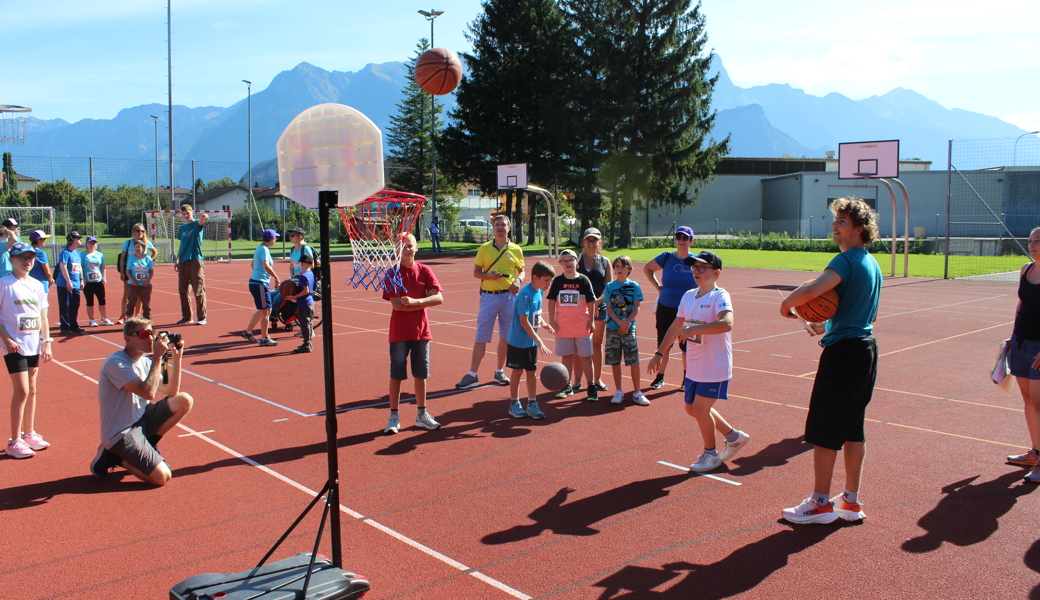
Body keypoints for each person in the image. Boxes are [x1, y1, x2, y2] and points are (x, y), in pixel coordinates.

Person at [779, 198, 881, 524]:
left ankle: (820, 503)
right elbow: (868, 312)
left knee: (824, 429)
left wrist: (787, 304)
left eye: (842, 221)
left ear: (859, 228)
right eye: (835, 220)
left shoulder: (845, 260)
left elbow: (813, 290)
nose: (835, 226)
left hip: (844, 354)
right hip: (865, 348)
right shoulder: (871, 263)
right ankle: (850, 501)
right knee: (853, 428)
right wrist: (827, 325)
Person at [648, 250, 748, 472]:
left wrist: (694, 328)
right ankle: (734, 437)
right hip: (695, 365)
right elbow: (675, 327)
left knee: (700, 410)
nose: (697, 271)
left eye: (703, 267)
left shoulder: (720, 296)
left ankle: (710, 455)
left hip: (714, 365)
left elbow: (727, 323)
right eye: (695, 267)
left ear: (717, 273)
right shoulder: (688, 295)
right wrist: (659, 352)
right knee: (692, 409)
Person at [89, 318, 193, 485]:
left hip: (141, 420)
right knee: (162, 477)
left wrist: (177, 356)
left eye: (151, 333)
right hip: (121, 432)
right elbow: (148, 393)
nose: (150, 339)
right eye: (143, 335)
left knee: (184, 400)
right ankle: (113, 456)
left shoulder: (145, 362)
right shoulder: (116, 363)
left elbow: (172, 391)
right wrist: (158, 357)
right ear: (127, 338)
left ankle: (148, 444)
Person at [380, 233, 444, 434]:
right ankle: (393, 416)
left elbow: (439, 298)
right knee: (397, 374)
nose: (407, 249)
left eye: (410, 245)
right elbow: (397, 306)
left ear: (416, 247)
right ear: (397, 250)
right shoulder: (393, 273)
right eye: (402, 246)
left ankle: (421, 414)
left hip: (421, 331)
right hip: (399, 332)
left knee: (421, 374)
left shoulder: (425, 271)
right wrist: (424, 301)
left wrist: (417, 302)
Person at [456, 215, 526, 389]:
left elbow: (522, 271)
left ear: (509, 228)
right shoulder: (484, 248)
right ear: (493, 228)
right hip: (488, 296)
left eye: (503, 225)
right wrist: (489, 277)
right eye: (497, 225)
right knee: (481, 336)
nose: (500, 227)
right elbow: (476, 272)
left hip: (509, 297)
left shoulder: (516, 249)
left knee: (505, 337)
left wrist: (518, 281)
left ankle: (499, 371)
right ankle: (473, 374)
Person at [0, 242, 53, 459]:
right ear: (11, 260)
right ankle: (14, 441)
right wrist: (6, 339)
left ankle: (29, 433)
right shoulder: (4, 284)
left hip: (33, 344)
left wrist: (46, 342)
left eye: (30, 257)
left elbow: (43, 316)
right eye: (22, 257)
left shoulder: (37, 285)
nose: (27, 261)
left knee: (32, 390)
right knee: (21, 390)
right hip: (14, 346)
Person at [643, 226, 697, 390]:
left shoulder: (696, 260)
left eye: (685, 238)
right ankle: (660, 377)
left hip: (688, 309)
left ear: (691, 241)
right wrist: (658, 287)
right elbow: (647, 268)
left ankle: (686, 379)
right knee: (664, 343)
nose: (681, 240)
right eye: (679, 237)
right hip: (666, 306)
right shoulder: (666, 257)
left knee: (687, 345)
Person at [1006, 226, 1040, 483]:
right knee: (1028, 400)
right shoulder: (1026, 270)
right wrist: (1012, 337)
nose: (1032, 244)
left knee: (1039, 403)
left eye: (1038, 241)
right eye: (1030, 241)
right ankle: (1035, 452)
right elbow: (1020, 305)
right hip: (1020, 343)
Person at [505, 260, 556, 420]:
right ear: (535, 277)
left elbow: (536, 315)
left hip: (530, 342)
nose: (549, 284)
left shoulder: (539, 292)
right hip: (518, 341)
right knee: (517, 372)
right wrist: (539, 340)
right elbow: (523, 321)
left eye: (550, 281)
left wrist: (544, 324)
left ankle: (532, 404)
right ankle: (514, 404)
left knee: (532, 372)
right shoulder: (525, 294)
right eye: (546, 280)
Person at [546, 249, 598, 401]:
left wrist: (591, 320)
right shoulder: (558, 281)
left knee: (586, 357)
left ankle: (591, 386)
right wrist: (552, 320)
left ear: (577, 261)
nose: (568, 263)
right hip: (563, 326)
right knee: (566, 357)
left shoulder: (583, 280)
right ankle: (566, 385)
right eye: (564, 260)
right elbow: (551, 301)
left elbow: (591, 300)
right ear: (560, 264)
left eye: (571, 260)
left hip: (582, 326)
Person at [603, 255, 649, 406]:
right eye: (617, 266)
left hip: (629, 329)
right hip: (612, 328)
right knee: (615, 360)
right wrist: (619, 323)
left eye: (623, 266)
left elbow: (636, 307)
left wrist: (627, 323)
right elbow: (608, 308)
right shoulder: (609, 286)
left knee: (633, 361)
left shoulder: (634, 286)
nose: (619, 269)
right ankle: (619, 391)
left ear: (629, 269)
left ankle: (637, 392)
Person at [576, 227, 613, 391]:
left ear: (599, 242)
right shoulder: (576, 260)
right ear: (584, 242)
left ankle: (597, 379)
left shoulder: (605, 262)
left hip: (600, 307)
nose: (591, 243)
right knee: (580, 344)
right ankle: (577, 381)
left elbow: (609, 287)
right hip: (580, 308)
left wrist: (597, 303)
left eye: (594, 240)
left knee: (597, 344)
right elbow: (572, 284)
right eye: (588, 240)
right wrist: (586, 305)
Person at [270, 227, 317, 333]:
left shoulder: (305, 249)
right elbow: (291, 265)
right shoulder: (292, 249)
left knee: (279, 297)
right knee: (271, 294)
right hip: (294, 279)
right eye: (290, 235)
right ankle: (272, 315)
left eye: (293, 235)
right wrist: (292, 276)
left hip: (302, 279)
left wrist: (299, 275)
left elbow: (311, 265)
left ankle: (276, 316)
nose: (290, 237)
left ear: (300, 237)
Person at [240, 229, 280, 347]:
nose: (276, 240)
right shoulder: (264, 250)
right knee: (267, 311)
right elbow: (266, 266)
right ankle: (264, 338)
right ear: (272, 239)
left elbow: (252, 264)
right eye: (275, 238)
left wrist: (258, 273)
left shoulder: (260, 248)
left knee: (263, 310)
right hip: (259, 283)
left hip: (256, 282)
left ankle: (248, 332)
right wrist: (276, 277)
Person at [174, 204, 208, 325]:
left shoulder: (196, 224)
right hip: (183, 261)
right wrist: (177, 259)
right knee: (183, 290)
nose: (186, 215)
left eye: (187, 212)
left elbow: (200, 221)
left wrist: (203, 217)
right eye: (183, 213)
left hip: (195, 259)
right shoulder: (182, 228)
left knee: (198, 289)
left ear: (191, 212)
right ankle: (187, 316)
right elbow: (182, 244)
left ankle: (202, 317)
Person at [118, 223, 156, 323]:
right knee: (128, 294)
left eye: (142, 231)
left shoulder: (146, 243)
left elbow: (154, 251)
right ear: (133, 232)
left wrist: (149, 262)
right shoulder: (129, 243)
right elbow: (122, 257)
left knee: (140, 295)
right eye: (138, 230)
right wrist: (122, 271)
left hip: (143, 274)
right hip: (130, 271)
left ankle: (138, 315)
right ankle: (123, 315)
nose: (140, 233)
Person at [285, 253, 316, 354]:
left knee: (305, 324)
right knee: (309, 323)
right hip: (310, 302)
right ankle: (308, 343)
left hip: (304, 303)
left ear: (301, 263)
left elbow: (305, 291)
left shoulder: (303, 276)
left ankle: (307, 344)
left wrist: (294, 297)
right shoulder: (311, 273)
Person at [55, 231, 85, 334]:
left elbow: (79, 267)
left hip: (76, 283)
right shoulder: (65, 252)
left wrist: (81, 279)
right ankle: (65, 326)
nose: (81, 239)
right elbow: (63, 267)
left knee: (75, 304)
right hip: (65, 284)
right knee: (65, 305)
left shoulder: (77, 253)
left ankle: (73, 324)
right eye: (78, 238)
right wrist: (68, 281)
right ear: (72, 240)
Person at [81, 236, 115, 327]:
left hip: (98, 281)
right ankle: (91, 319)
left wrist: (104, 277)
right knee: (90, 301)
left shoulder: (99, 254)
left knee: (102, 300)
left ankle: (104, 318)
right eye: (90, 243)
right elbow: (80, 268)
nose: (92, 245)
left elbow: (103, 267)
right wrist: (82, 279)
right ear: (86, 244)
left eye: (94, 243)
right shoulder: (82, 255)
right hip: (88, 282)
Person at [124, 240, 154, 319]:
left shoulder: (147, 258)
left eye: (138, 247)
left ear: (143, 248)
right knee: (131, 302)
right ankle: (129, 320)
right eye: (135, 247)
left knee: (146, 303)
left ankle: (147, 319)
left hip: (145, 285)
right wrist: (132, 280)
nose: (136, 248)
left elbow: (151, 271)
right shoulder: (132, 258)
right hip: (133, 284)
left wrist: (147, 281)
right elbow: (128, 271)